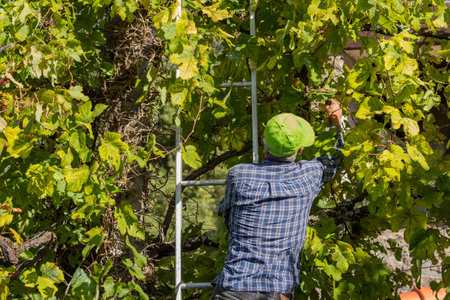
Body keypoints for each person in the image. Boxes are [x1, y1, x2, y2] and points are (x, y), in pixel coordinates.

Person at [211, 99, 343, 300]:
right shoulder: (309, 176)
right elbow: (335, 157)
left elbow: (227, 217)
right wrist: (335, 121)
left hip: (234, 287)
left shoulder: (238, 175)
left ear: (263, 140)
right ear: (299, 150)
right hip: (277, 291)